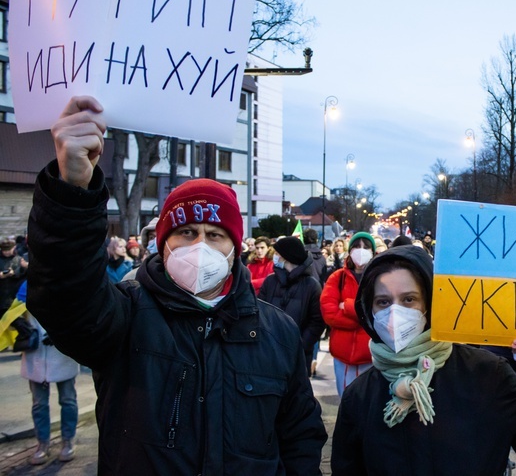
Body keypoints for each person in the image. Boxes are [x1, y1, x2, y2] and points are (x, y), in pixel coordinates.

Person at [26, 96, 327, 474]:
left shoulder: (277, 332)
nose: (200, 245)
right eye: (186, 232)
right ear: (163, 242)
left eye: (215, 234)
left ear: (235, 249)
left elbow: (300, 433)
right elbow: (63, 296)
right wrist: (71, 192)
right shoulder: (125, 314)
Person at [331, 245, 516, 474]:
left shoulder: (487, 374)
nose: (395, 312)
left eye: (409, 299)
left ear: (431, 304)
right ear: (369, 309)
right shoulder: (360, 396)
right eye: (383, 301)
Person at [16, 281, 80, 465]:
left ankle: (68, 440)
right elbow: (13, 309)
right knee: (39, 403)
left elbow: (78, 313)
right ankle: (42, 443)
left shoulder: (67, 283)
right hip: (35, 351)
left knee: (68, 399)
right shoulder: (26, 285)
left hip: (61, 352)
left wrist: (62, 333)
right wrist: (18, 323)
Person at [258, 236, 325, 375]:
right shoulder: (270, 281)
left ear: (287, 257)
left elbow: (317, 322)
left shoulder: (311, 285)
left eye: (277, 254)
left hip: (298, 355)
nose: (274, 257)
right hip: (268, 352)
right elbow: (259, 312)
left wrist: (300, 346)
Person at [320, 232, 376, 396]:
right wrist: (361, 320)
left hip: (370, 354)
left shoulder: (378, 277)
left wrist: (348, 306)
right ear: (350, 250)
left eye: (366, 247)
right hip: (343, 354)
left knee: (369, 399)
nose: (361, 250)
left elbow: (378, 311)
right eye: (357, 246)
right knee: (345, 398)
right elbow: (329, 311)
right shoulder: (338, 277)